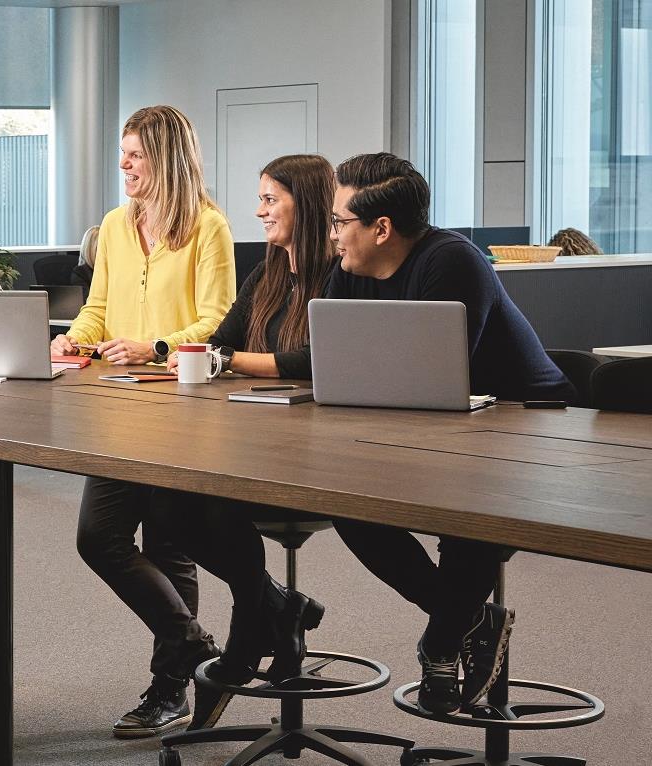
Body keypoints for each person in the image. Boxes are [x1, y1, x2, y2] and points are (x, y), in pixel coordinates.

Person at [323, 152, 575, 715]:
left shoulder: (452, 260)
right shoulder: (349, 270)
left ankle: (441, 641)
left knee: (467, 517)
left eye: (340, 222)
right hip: (433, 428)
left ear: (381, 228)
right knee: (348, 505)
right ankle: (468, 619)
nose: (333, 235)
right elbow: (343, 368)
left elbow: (432, 371)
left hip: (526, 422)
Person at [50, 104, 236, 738]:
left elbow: (217, 320)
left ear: (167, 158)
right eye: (122, 153)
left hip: (182, 409)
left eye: (135, 154)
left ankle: (169, 690)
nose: (123, 164)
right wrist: (72, 341)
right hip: (117, 411)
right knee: (96, 538)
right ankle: (189, 640)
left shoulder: (209, 228)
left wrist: (155, 346)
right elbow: (97, 309)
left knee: (167, 546)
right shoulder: (113, 225)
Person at [156, 154, 338, 728]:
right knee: (166, 503)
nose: (258, 211)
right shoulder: (265, 274)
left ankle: (245, 635)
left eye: (269, 199)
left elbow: (318, 360)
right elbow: (219, 340)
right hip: (249, 439)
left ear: (303, 204)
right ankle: (275, 606)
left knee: (215, 499)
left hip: (312, 454)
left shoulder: (340, 274)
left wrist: (235, 360)